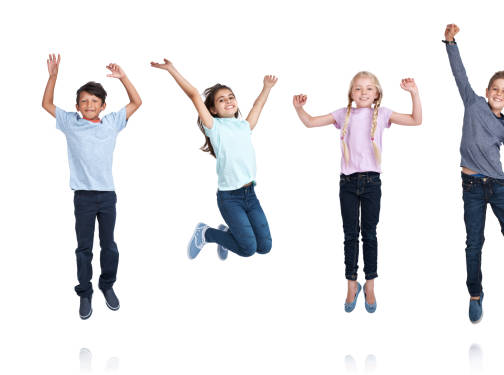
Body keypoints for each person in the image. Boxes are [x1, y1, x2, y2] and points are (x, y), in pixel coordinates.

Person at [293, 71, 422, 313]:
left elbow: (416, 120)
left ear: (377, 94)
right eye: (358, 89)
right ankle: (352, 284)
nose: (363, 92)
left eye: (368, 88)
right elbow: (310, 122)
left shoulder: (381, 114)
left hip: (372, 183)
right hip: (348, 184)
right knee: (350, 234)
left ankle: (370, 285)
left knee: (370, 235)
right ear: (351, 94)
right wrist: (299, 108)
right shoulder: (344, 114)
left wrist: (414, 93)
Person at [443, 24, 504, 323]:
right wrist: (450, 42)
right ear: (486, 92)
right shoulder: (473, 103)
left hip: (498, 187)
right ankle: (475, 294)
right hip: (471, 185)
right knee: (474, 242)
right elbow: (460, 74)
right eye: (495, 89)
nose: (499, 93)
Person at [42, 54, 142, 319]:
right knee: (84, 248)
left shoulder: (111, 123)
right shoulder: (70, 123)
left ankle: (107, 285)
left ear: (103, 105)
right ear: (77, 105)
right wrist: (53, 76)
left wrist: (123, 77)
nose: (89, 105)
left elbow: (136, 102)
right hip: (83, 197)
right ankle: (85, 291)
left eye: (94, 101)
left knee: (109, 245)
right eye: (84, 101)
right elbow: (46, 103)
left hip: (107, 195)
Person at [151, 58, 275, 261]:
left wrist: (267, 87)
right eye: (221, 100)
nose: (228, 101)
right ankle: (207, 233)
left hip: (250, 195)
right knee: (247, 249)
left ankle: (228, 233)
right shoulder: (214, 128)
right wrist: (171, 69)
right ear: (213, 110)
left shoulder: (244, 126)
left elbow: (258, 105)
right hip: (230, 199)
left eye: (231, 97)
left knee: (264, 247)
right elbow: (193, 94)